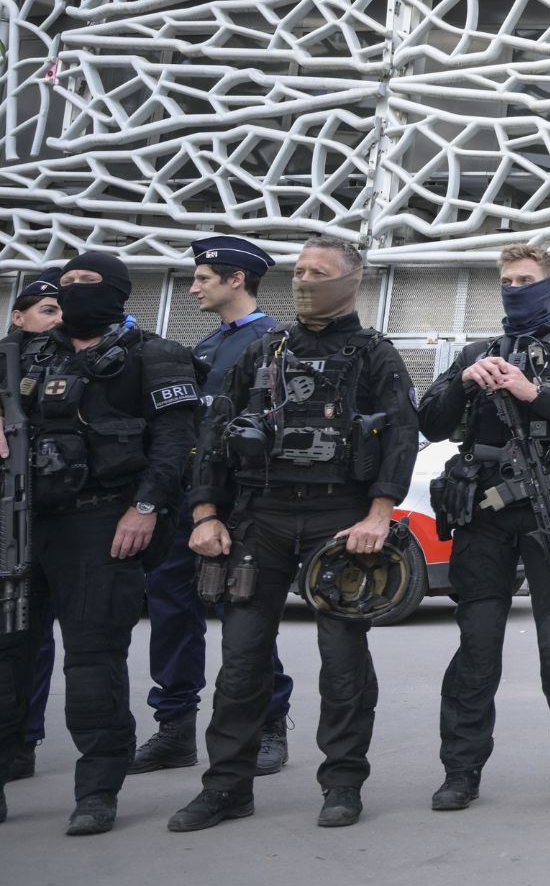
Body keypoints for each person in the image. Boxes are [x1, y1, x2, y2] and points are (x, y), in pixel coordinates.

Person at [168, 237, 420, 831]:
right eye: (300, 270)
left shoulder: (374, 353)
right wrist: (206, 514)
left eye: (319, 272)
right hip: (262, 520)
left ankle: (342, 783)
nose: (305, 280)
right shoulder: (263, 350)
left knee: (342, 662)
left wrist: (379, 515)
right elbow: (213, 434)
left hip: (342, 522)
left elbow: (402, 436)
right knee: (240, 662)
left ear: (352, 281)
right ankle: (227, 785)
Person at [0, 252, 198, 833]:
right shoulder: (25, 351)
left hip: (101, 521)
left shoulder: (155, 355)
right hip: (22, 522)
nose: (72, 293)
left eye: (86, 283)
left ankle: (97, 791)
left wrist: (144, 509)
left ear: (116, 291)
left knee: (92, 661)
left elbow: (174, 443)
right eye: (64, 284)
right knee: (6, 656)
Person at [419, 243, 550, 812]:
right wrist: (465, 382)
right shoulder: (479, 350)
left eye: (525, 279)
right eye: (506, 279)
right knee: (476, 646)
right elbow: (428, 421)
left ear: (548, 284)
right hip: (483, 516)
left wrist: (534, 394)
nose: (513, 288)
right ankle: (460, 773)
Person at [129, 237, 295, 778]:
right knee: (172, 610)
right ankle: (175, 726)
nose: (194, 286)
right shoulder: (203, 347)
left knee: (244, 613)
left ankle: (268, 722)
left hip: (242, 501)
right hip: (186, 497)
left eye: (203, 278)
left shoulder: (276, 342)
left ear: (236, 280)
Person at [4, 269, 62, 784]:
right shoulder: (5, 362)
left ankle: (22, 739)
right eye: (47, 309)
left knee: (30, 633)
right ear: (18, 317)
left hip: (49, 516)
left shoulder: (78, 362)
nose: (57, 318)